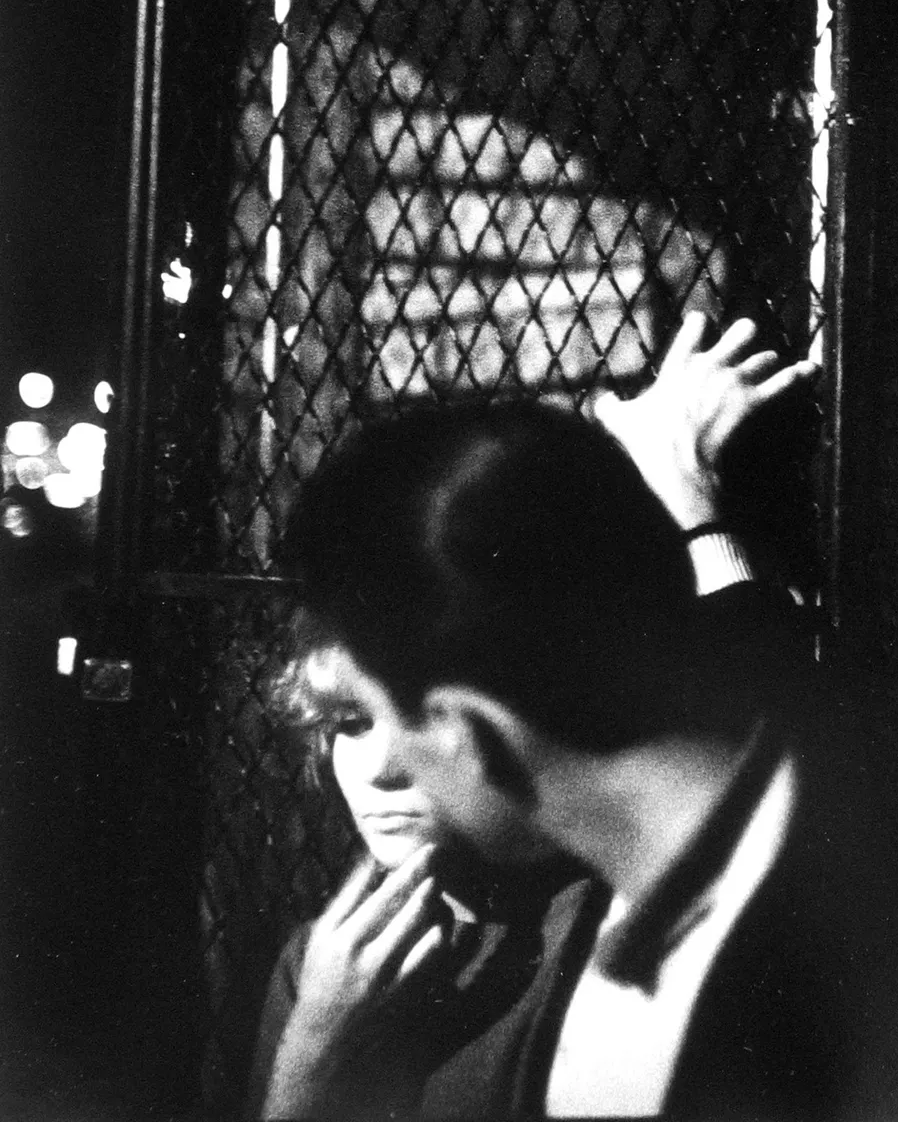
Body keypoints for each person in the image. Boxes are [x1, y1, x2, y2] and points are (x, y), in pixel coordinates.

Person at [248, 314, 814, 1120]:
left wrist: (687, 504)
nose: (379, 768)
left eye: (383, 715)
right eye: (344, 725)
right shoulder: (324, 970)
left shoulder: (613, 913)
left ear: (470, 731)